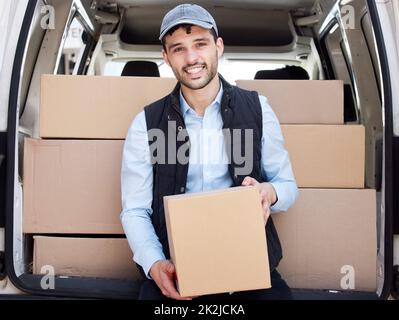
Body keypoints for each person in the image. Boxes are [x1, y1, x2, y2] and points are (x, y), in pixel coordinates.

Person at [120, 3, 298, 300]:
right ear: (166, 57)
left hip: (249, 268)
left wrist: (268, 192)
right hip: (177, 268)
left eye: (200, 44)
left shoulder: (257, 109)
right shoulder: (146, 123)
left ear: (218, 47)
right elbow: (135, 210)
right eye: (178, 49)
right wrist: (155, 265)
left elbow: (288, 187)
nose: (191, 58)